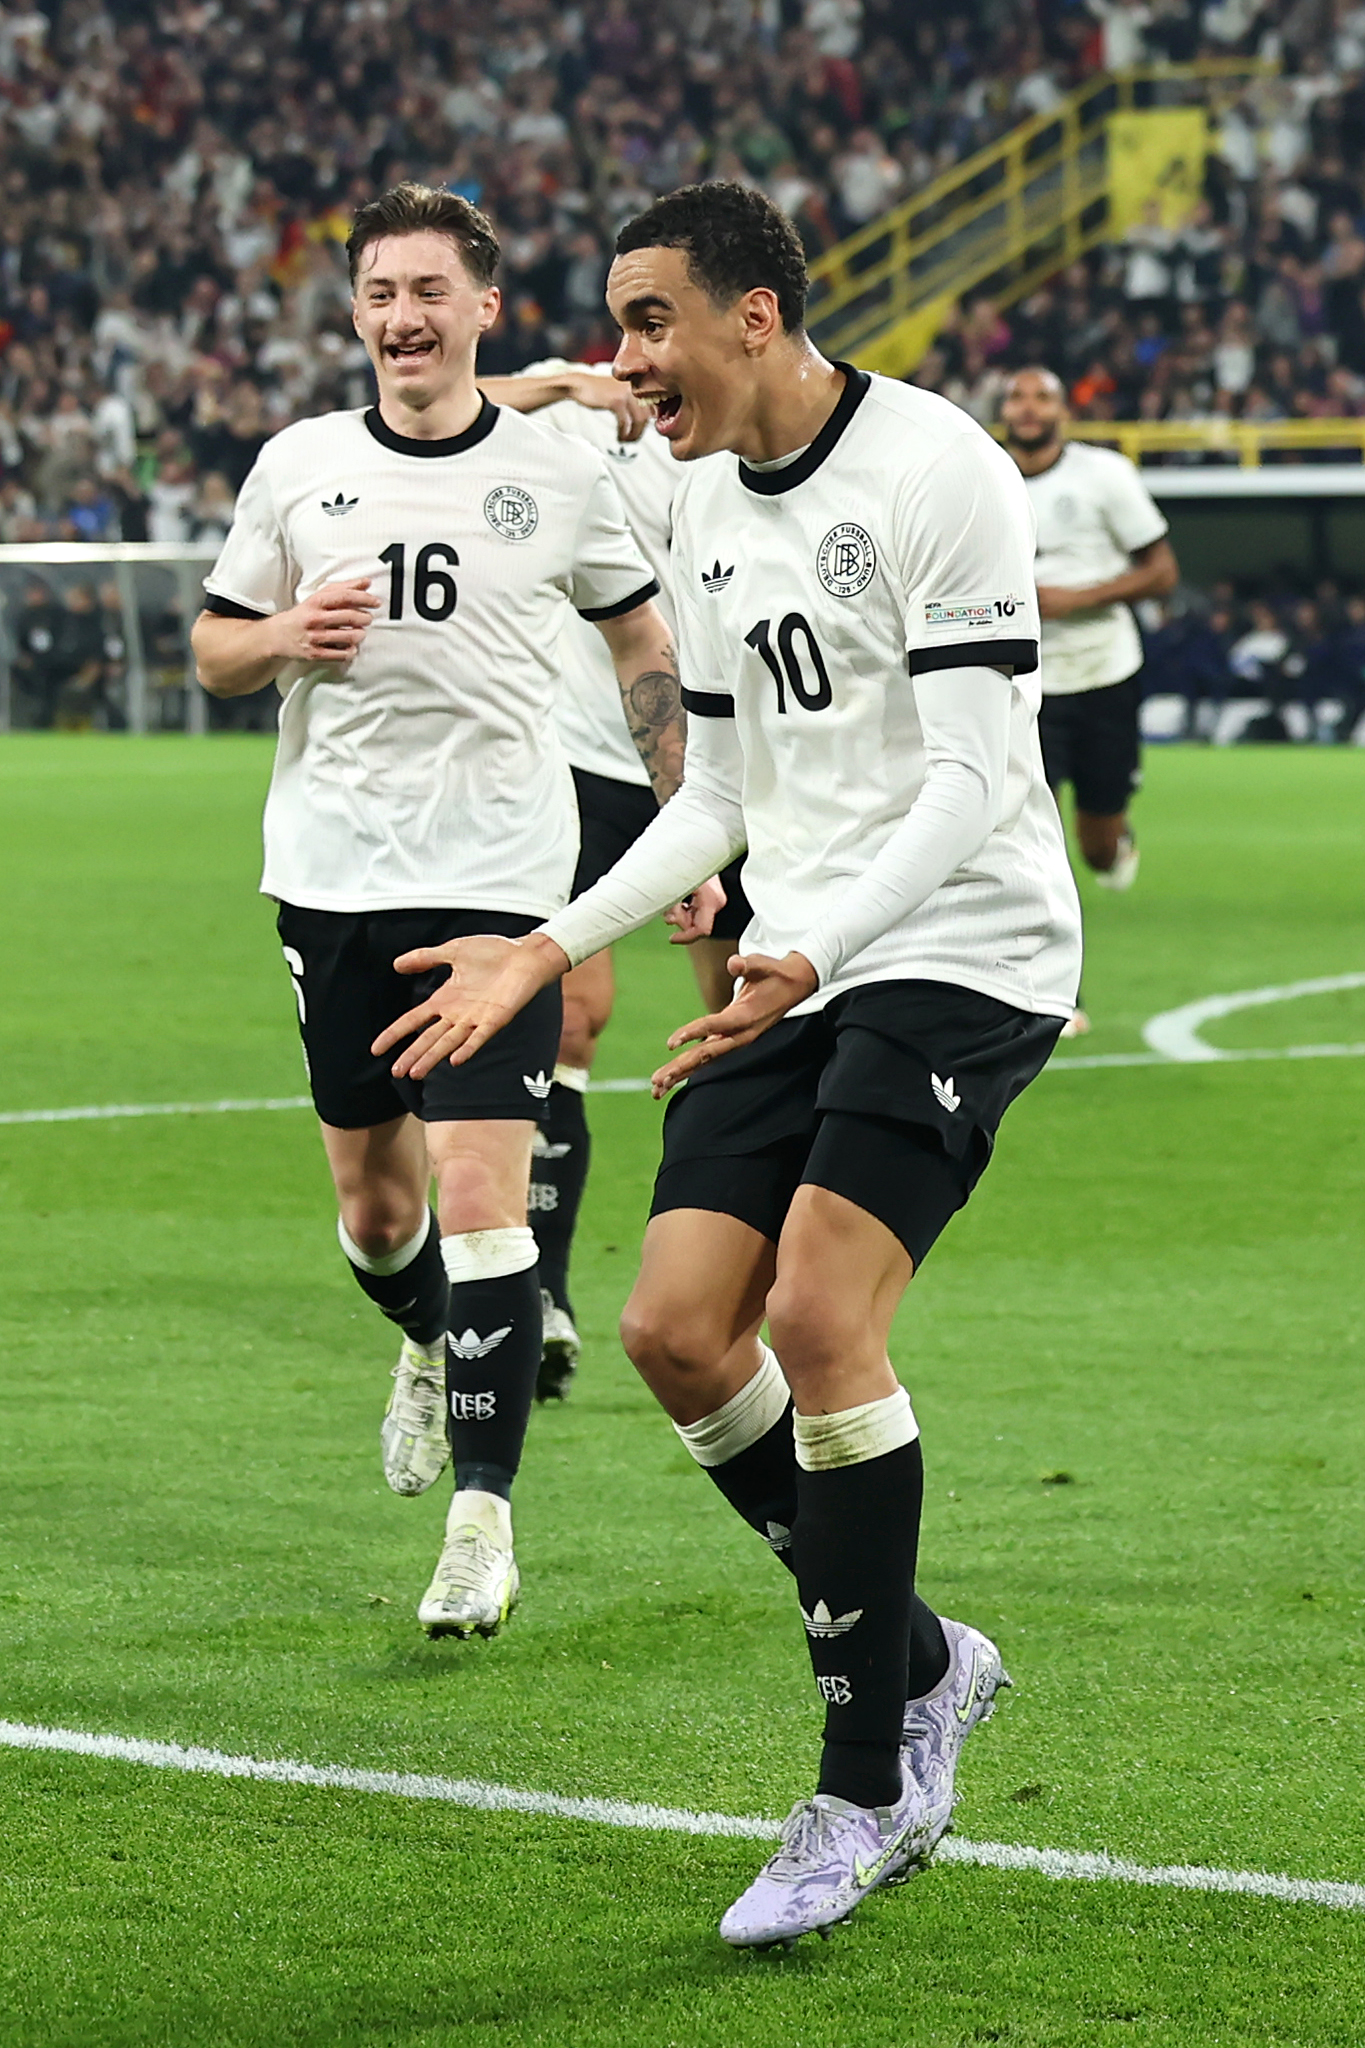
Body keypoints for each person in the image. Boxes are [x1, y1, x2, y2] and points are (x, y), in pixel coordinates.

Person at [373, 183, 1082, 1947]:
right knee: (677, 1330)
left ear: (753, 316)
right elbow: (714, 792)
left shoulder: (936, 470)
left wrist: (816, 946)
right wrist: (549, 941)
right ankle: (922, 1653)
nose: (626, 360)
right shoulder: (691, 503)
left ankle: (862, 1783)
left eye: (650, 321)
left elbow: (978, 776)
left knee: (825, 1317)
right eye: (619, 327)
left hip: (958, 944)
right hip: (798, 949)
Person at [190, 183, 685, 1642]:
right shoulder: (298, 464)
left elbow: (638, 634)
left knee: (481, 1196)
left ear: (484, 308)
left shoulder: (555, 474)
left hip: (499, 885)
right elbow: (218, 653)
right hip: (332, 876)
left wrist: (682, 819)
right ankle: (424, 1346)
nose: (402, 317)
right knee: (377, 1205)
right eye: (378, 293)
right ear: (355, 312)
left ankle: (483, 1525)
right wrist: (284, 635)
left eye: (429, 292)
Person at [478, 356, 749, 1399]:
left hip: (738, 764)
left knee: (739, 1016)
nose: (644, 351)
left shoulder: (757, 435)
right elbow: (426, 414)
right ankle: (542, 1290)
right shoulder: (585, 420)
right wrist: (553, 382)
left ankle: (741, 1270)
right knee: (572, 1020)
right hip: (586, 764)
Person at [999, 366, 1178, 1034]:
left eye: (1041, 396)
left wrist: (1075, 599)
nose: (1027, 407)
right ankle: (1055, 994)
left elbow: (1162, 572)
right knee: (1027, 841)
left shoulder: (1103, 475)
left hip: (1103, 672)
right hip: (1021, 682)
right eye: (1016, 396)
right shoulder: (982, 473)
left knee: (1094, 846)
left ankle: (1114, 839)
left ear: (1061, 412)